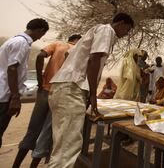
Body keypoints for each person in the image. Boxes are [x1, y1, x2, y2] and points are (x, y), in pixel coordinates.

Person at [47, 13, 134, 168]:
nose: (126, 34)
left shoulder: (96, 32)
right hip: (71, 87)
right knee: (66, 149)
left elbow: (71, 55)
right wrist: (93, 95)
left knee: (63, 146)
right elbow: (94, 60)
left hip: (68, 87)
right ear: (121, 23)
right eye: (127, 30)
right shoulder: (107, 31)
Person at [13, 34, 81, 168]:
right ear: (77, 40)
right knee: (47, 132)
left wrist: (40, 80)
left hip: (45, 90)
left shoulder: (57, 45)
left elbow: (39, 56)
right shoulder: (78, 49)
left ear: (69, 38)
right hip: (61, 93)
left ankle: (15, 165)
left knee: (33, 129)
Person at [0, 18, 49, 148]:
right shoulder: (21, 43)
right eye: (42, 34)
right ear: (40, 30)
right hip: (4, 96)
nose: (40, 38)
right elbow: (12, 68)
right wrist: (15, 97)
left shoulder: (14, 41)